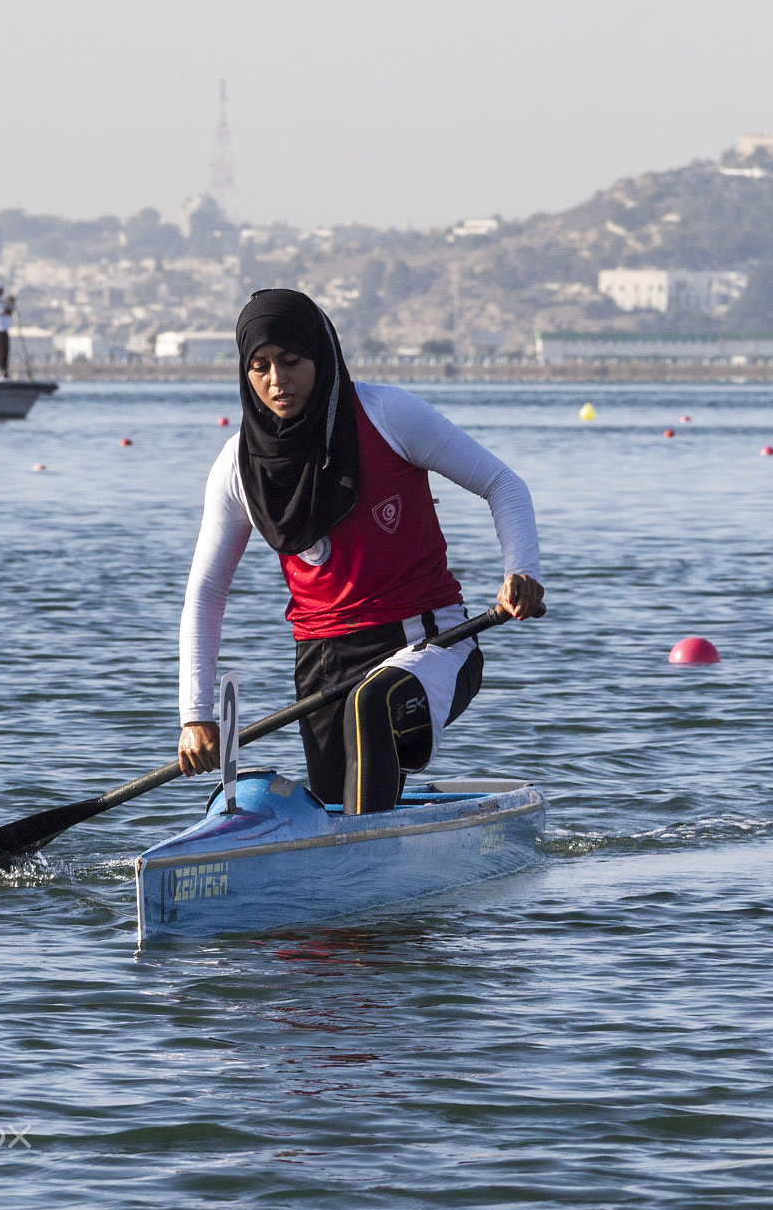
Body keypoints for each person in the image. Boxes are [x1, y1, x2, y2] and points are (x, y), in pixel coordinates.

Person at [178, 289, 544, 815]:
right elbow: (207, 594)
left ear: (321, 356)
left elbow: (503, 485)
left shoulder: (388, 414)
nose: (276, 381)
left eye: (291, 362)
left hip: (431, 643)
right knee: (340, 801)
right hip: (321, 665)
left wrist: (521, 572)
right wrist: (196, 714)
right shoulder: (237, 466)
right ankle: (360, 854)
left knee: (372, 703)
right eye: (259, 367)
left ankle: (362, 859)